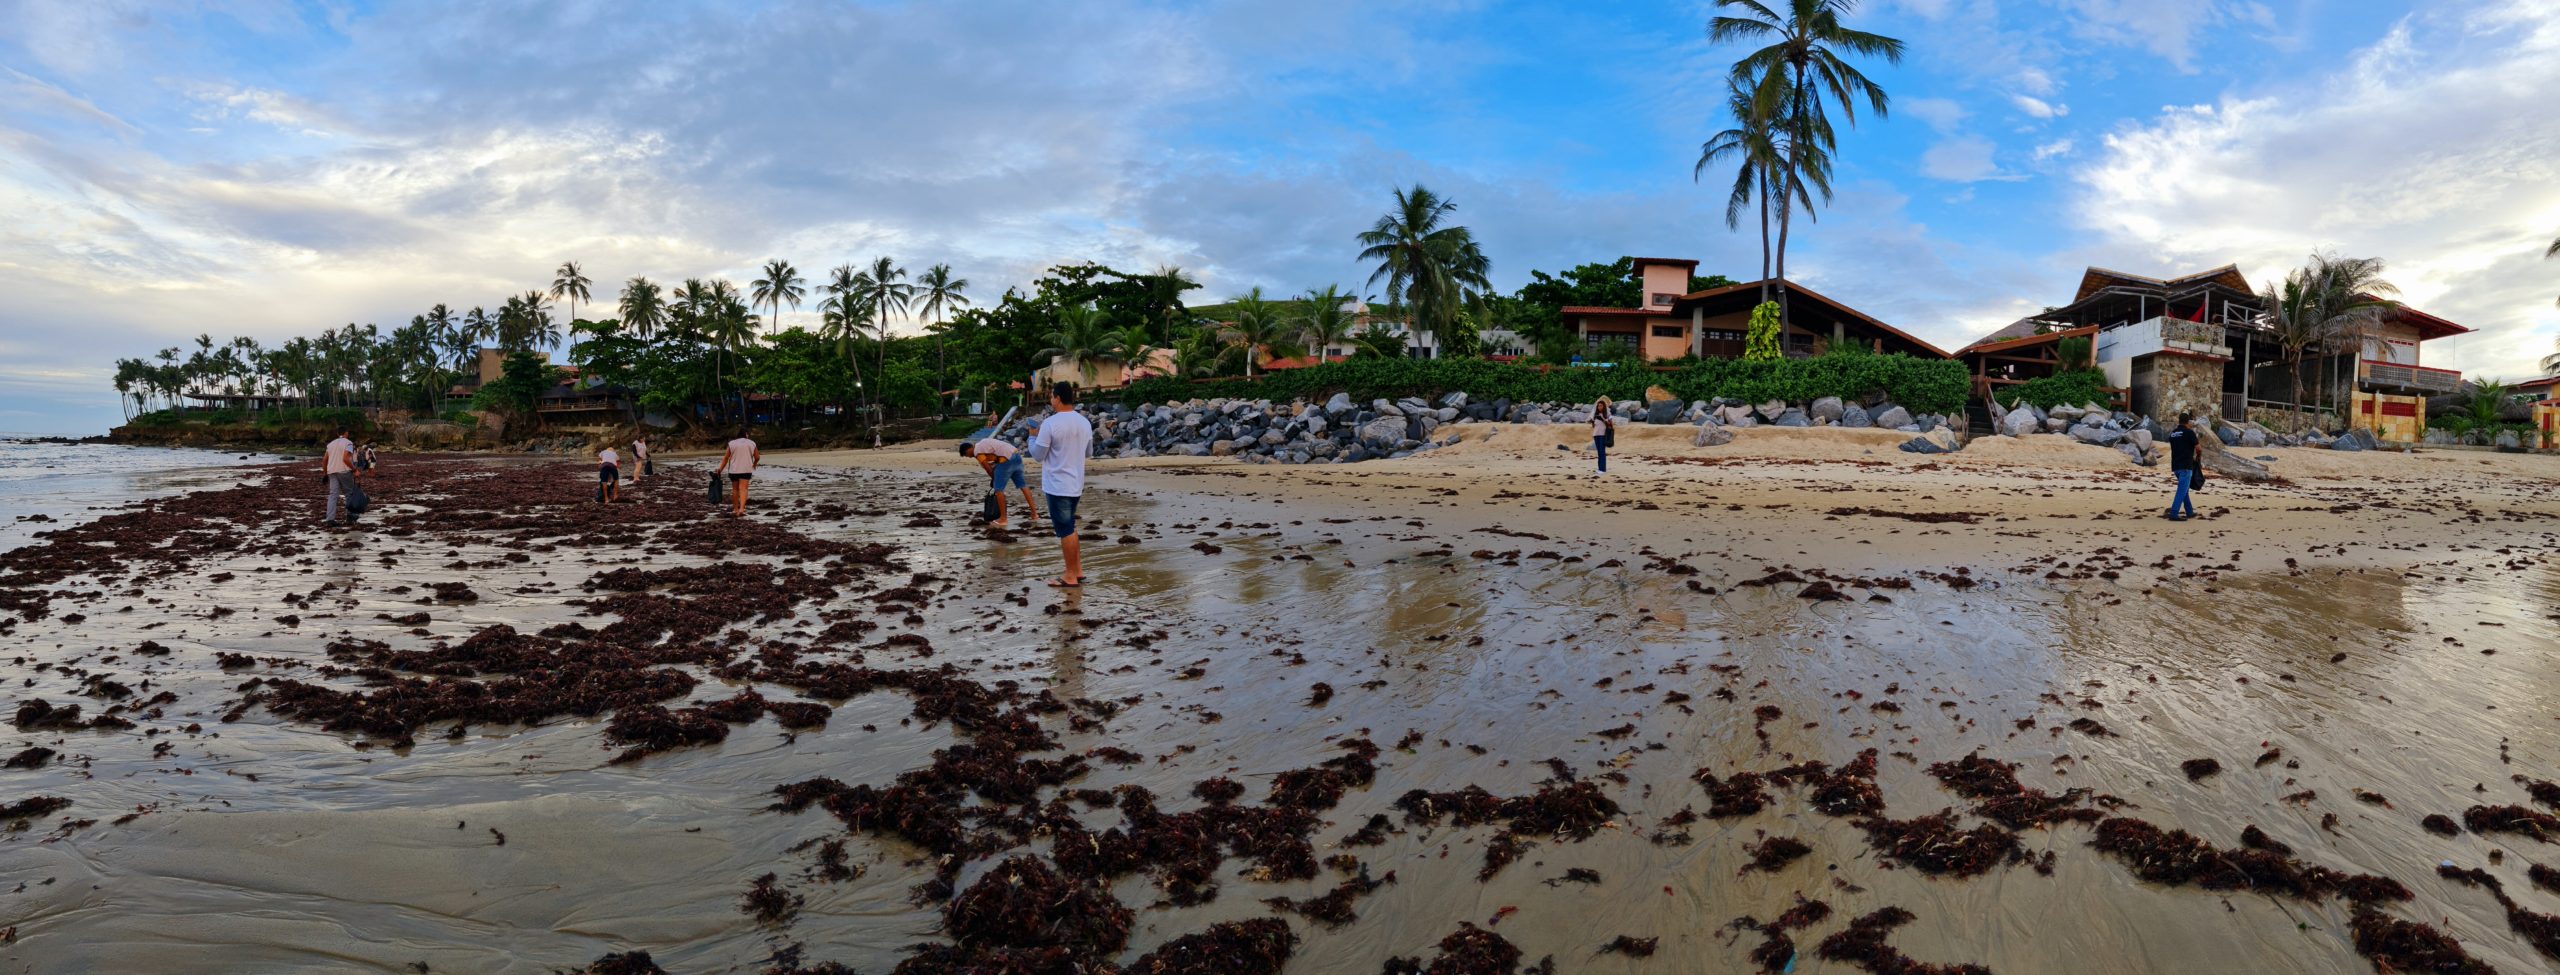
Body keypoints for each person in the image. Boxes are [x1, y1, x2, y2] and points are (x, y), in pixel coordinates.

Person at [1027, 383, 1093, 587]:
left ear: (1057, 398)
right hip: (1075, 483)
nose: (1050, 400)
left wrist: (1031, 436)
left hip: (1057, 483)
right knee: (1070, 527)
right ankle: (1077, 570)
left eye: (1051, 397)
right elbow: (1089, 452)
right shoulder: (1084, 422)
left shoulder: (1050, 423)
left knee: (1065, 529)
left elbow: (1038, 455)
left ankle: (1070, 576)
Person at [961, 435, 1040, 528]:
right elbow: (996, 456)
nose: (969, 457)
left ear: (968, 449)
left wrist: (994, 480)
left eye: (966, 455)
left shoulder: (977, 451)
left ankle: (1003, 519)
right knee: (1023, 486)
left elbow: (988, 469)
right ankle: (1034, 514)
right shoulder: (984, 441)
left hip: (1006, 460)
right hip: (1016, 455)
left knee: (998, 490)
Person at [711, 428, 759, 517]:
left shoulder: (732, 443)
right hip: (746, 469)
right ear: (746, 434)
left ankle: (735, 509)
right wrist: (754, 464)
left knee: (735, 489)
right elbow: (757, 457)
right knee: (743, 489)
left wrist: (720, 470)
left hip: (734, 470)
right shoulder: (752, 443)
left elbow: (726, 458)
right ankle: (742, 509)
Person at [2165, 412, 2201, 521]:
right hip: (2186, 465)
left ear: (2179, 421)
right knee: (2182, 490)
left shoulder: (2173, 433)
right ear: (2188, 422)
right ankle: (2174, 513)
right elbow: (2198, 448)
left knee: (2184, 490)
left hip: (2176, 465)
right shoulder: (2189, 433)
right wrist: (2198, 457)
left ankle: (2189, 511)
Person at [321, 427, 358, 527]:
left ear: (338, 434)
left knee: (333, 495)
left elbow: (324, 460)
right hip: (344, 471)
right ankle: (350, 517)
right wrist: (355, 470)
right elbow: (346, 458)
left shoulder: (330, 444)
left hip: (332, 471)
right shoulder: (348, 443)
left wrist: (325, 473)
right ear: (346, 433)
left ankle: (330, 519)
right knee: (349, 493)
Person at [1590, 397, 1616, 476]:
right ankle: (1599, 468)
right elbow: (1594, 425)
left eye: (1601, 406)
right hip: (1596, 434)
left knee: (1602, 452)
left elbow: (1611, 424)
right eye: (1598, 406)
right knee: (1599, 452)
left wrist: (1604, 419)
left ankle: (1603, 469)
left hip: (1603, 435)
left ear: (1604, 406)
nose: (1599, 407)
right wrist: (1593, 421)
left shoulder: (1607, 414)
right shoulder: (1595, 414)